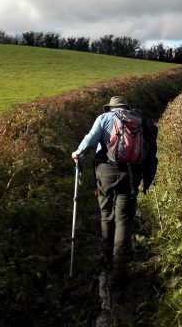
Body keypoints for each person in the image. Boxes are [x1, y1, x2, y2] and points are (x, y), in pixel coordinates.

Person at [71, 96, 142, 274]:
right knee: (123, 218)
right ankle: (120, 266)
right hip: (129, 173)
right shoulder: (136, 119)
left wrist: (78, 154)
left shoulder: (103, 118)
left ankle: (107, 257)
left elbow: (90, 140)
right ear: (126, 106)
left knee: (106, 214)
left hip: (105, 173)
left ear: (110, 107)